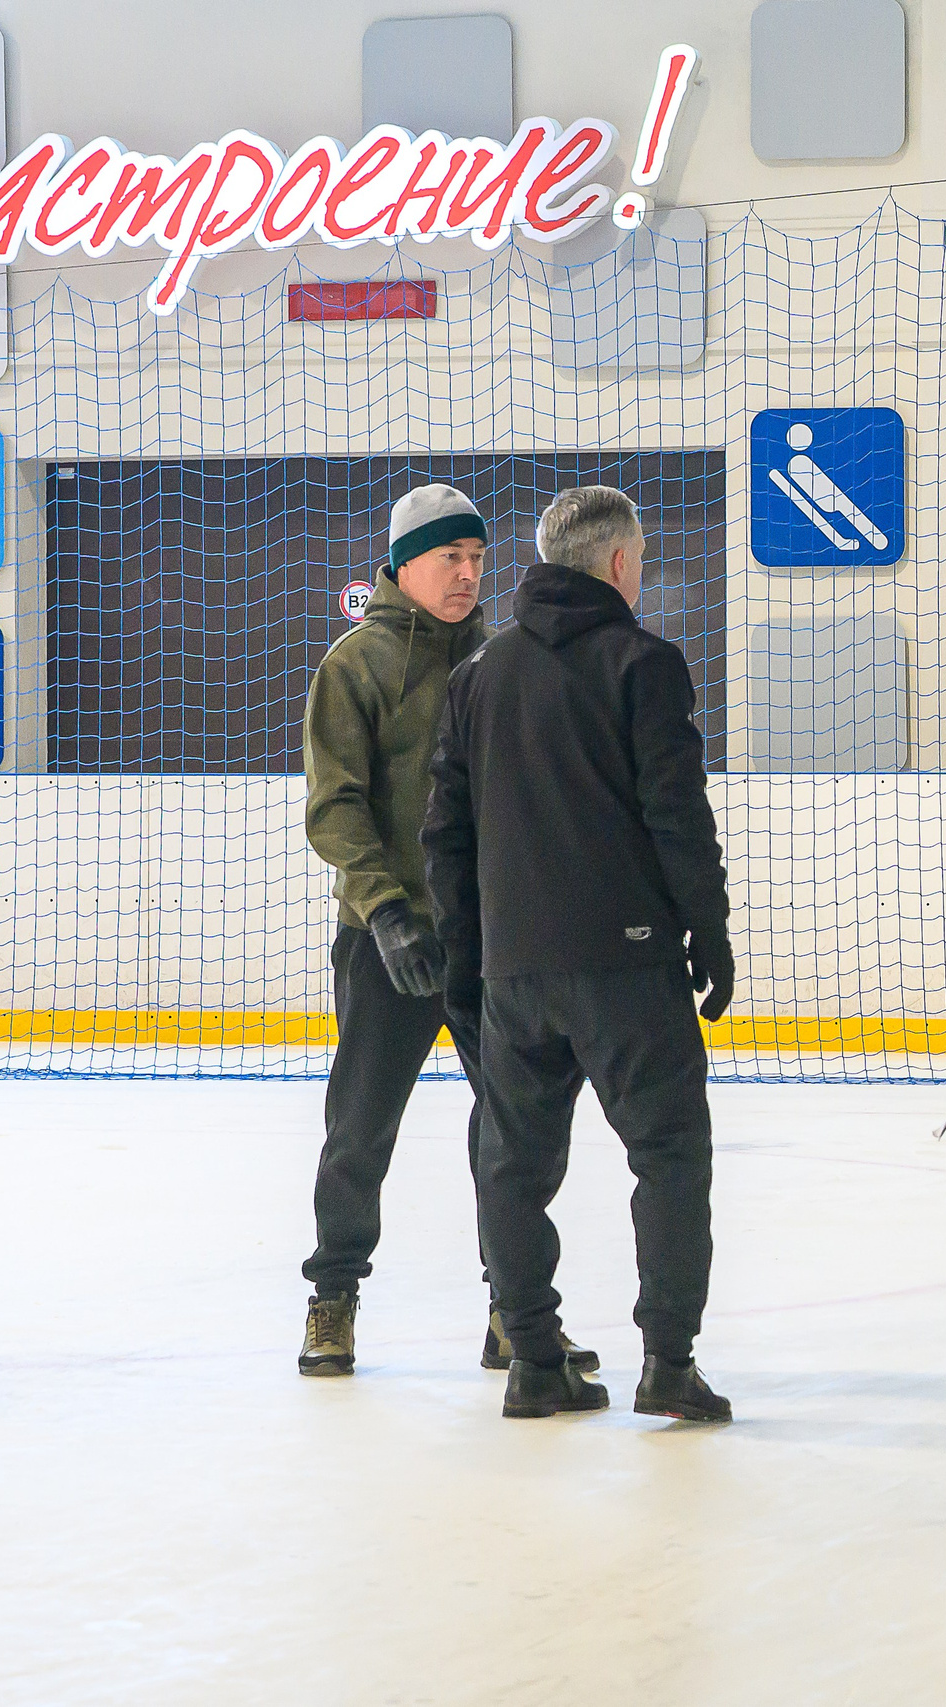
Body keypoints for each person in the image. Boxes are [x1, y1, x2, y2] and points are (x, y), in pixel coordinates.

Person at [424, 485, 735, 1423]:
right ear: (616, 564)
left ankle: (531, 1359)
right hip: (628, 967)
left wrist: (464, 965)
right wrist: (707, 928)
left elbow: (447, 835)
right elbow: (677, 815)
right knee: (671, 1152)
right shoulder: (644, 664)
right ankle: (667, 1364)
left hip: (514, 971)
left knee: (510, 1167)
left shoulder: (478, 676)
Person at [297, 484, 592, 1378]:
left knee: (512, 1129)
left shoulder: (501, 663)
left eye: (476, 558)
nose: (468, 574)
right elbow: (333, 807)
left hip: (488, 943)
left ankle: (514, 1309)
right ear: (403, 564)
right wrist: (386, 910)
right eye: (448, 559)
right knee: (360, 1127)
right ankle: (333, 1297)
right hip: (384, 942)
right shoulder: (354, 667)